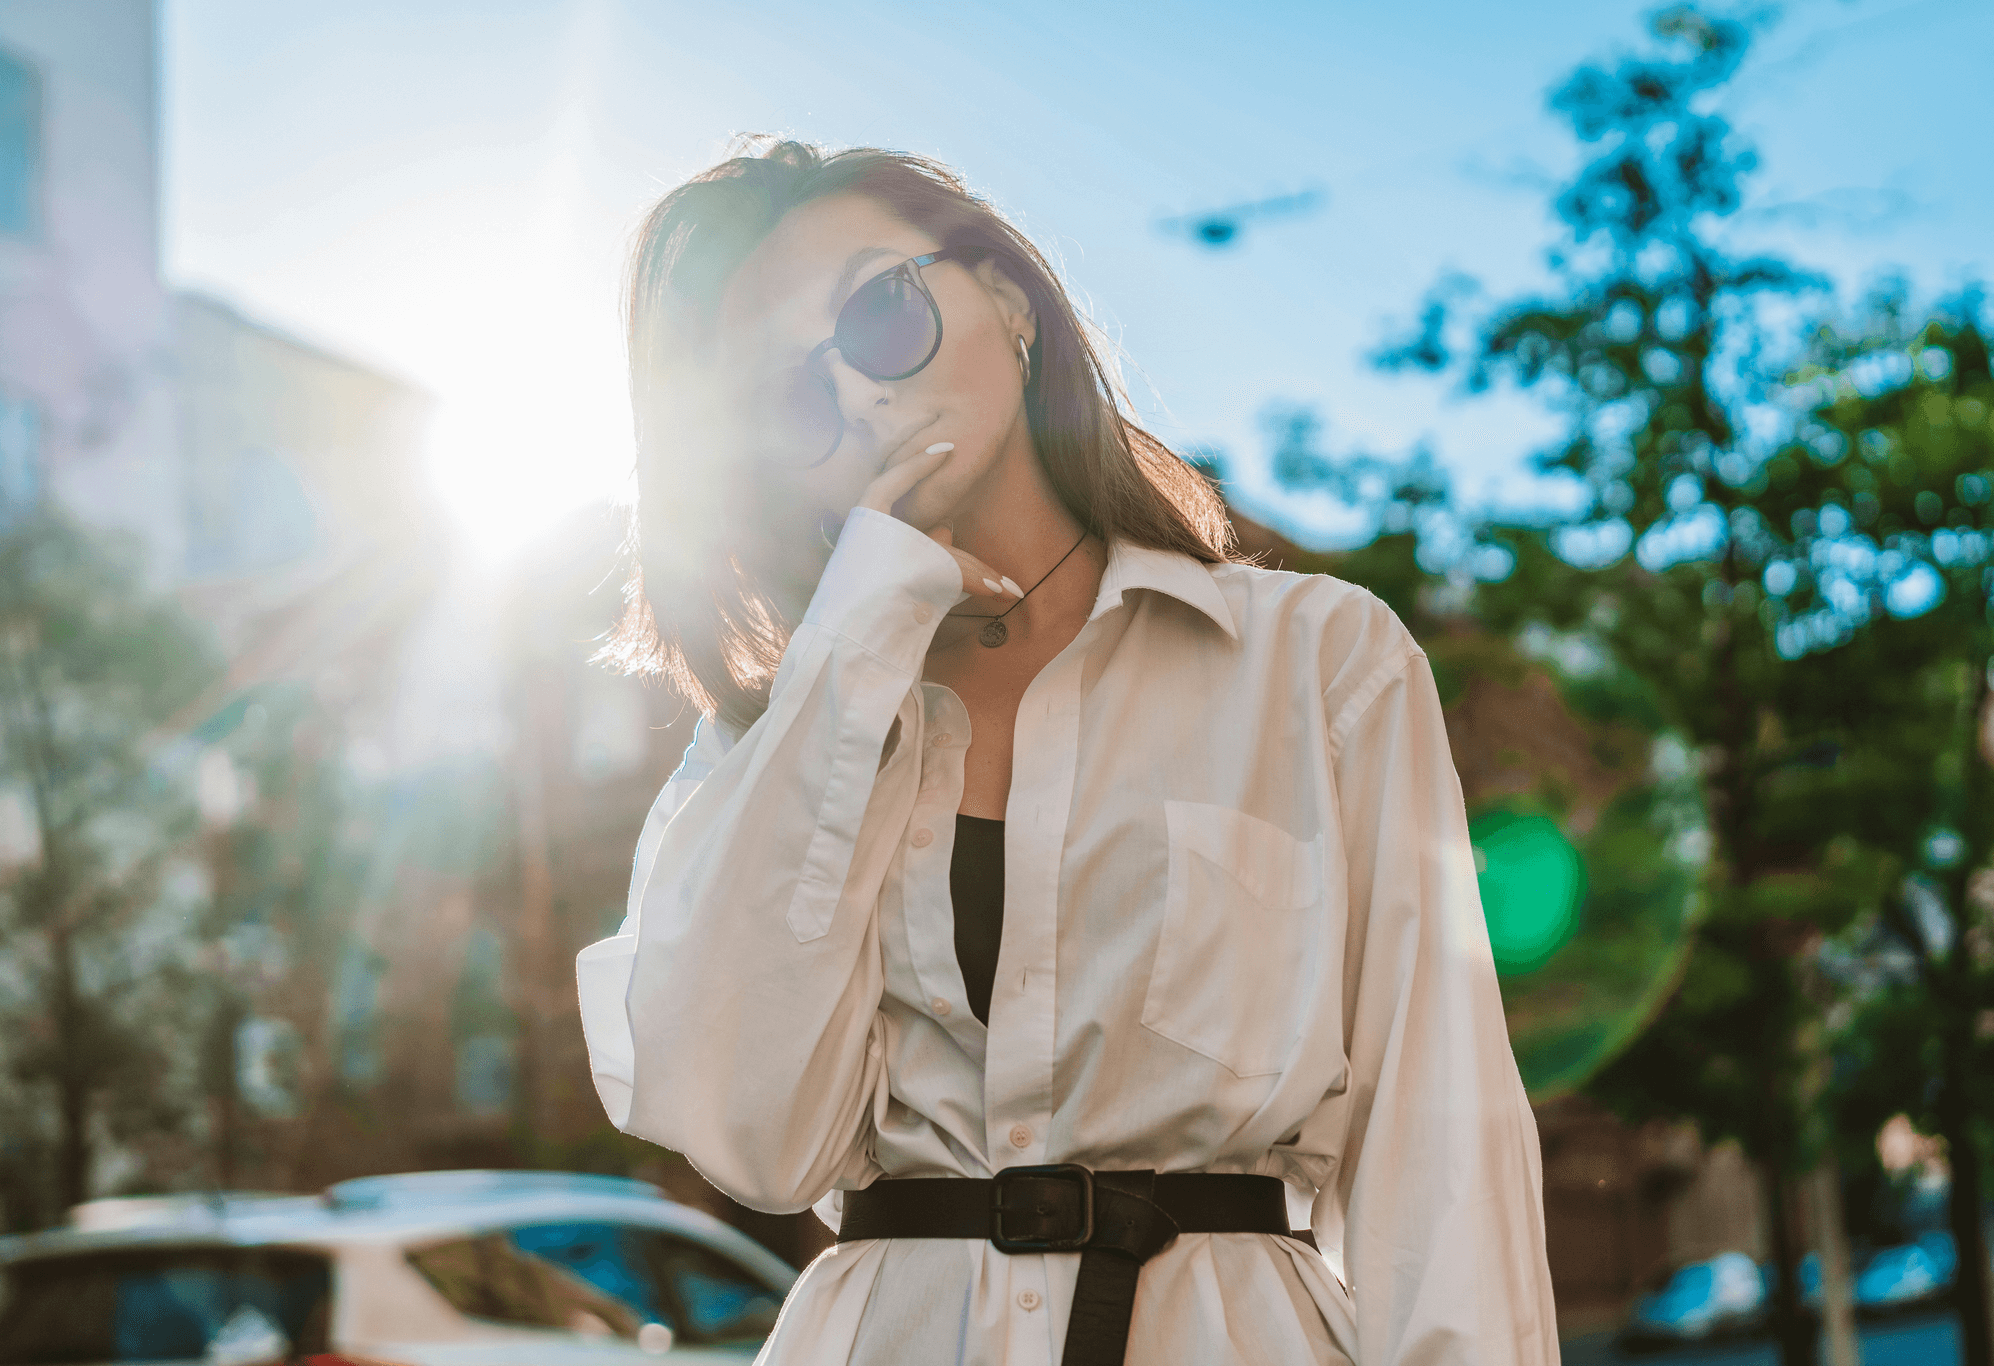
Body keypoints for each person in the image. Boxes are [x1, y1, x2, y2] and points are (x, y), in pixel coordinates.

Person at [577, 138, 1558, 1365]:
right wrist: (857, 639)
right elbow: (750, 1135)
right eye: (790, 396)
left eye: (879, 312)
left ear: (1007, 298)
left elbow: (1439, 1139)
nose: (861, 391)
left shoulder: (1319, 663)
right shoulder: (770, 744)